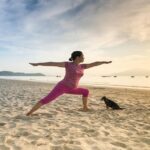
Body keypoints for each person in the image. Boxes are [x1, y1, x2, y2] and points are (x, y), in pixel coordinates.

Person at [26, 51, 112, 116]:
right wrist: (38, 64)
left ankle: (85, 108)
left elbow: (95, 63)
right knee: (46, 100)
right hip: (62, 87)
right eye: (83, 56)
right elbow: (52, 63)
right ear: (78, 57)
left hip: (73, 88)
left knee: (85, 91)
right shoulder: (67, 64)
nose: (84, 58)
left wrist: (104, 62)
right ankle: (29, 113)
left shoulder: (82, 66)